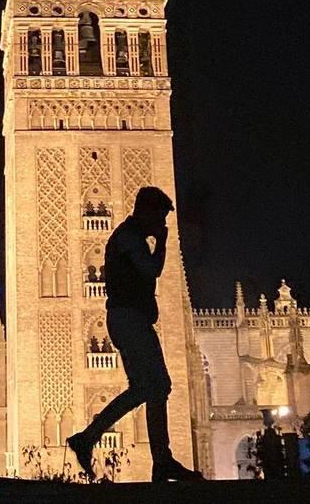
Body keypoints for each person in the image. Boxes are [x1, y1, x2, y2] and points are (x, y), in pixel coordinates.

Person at [67, 186, 203, 482]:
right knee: (160, 385)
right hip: (129, 320)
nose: (162, 224)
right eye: (160, 217)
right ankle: (162, 461)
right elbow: (151, 269)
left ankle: (88, 438)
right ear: (147, 212)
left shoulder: (132, 237)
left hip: (129, 320)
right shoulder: (128, 237)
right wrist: (163, 243)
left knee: (144, 388)